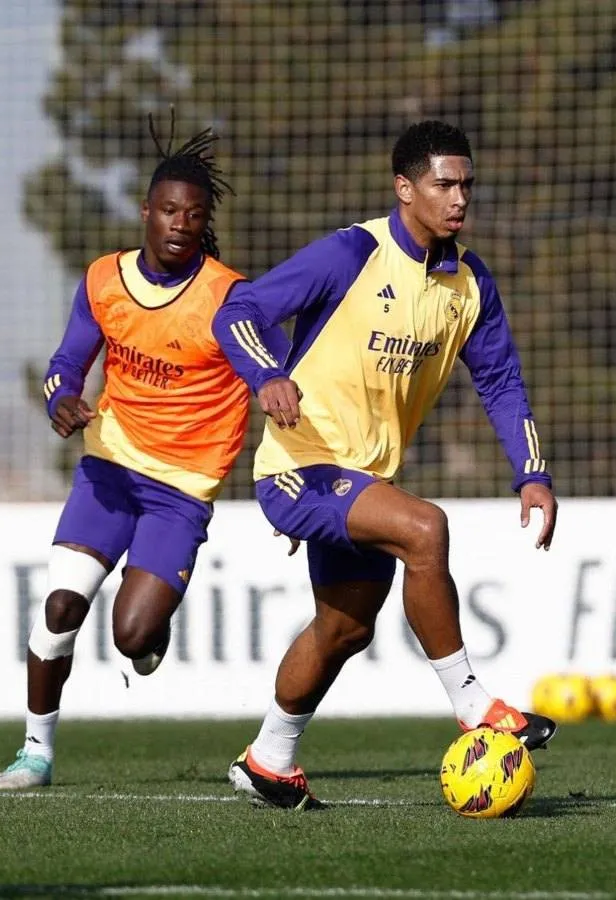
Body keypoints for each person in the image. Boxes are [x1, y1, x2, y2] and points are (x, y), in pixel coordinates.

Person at [212, 120, 559, 810]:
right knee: (425, 529)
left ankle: (267, 759)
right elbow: (238, 311)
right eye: (444, 184)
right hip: (299, 465)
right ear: (405, 188)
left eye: (467, 185)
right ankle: (474, 706)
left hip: (366, 479)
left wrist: (532, 473)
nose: (459, 198)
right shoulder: (353, 253)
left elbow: (500, 381)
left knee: (345, 628)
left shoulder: (470, 283)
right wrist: (268, 374)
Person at [0, 114, 288, 790]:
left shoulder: (227, 297)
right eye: (170, 210)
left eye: (195, 215)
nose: (182, 223)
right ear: (146, 211)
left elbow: (277, 372)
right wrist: (61, 400)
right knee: (61, 608)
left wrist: (280, 407)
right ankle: (35, 752)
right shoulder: (104, 279)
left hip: (180, 491)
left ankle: (149, 629)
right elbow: (66, 363)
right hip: (109, 470)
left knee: (131, 635)